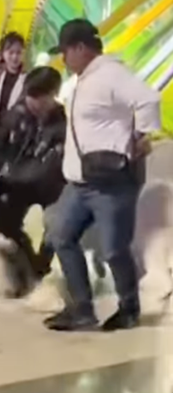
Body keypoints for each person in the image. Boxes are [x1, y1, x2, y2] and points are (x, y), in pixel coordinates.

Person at [44, 19, 160, 331]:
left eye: (65, 52)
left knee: (113, 250)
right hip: (80, 183)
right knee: (61, 236)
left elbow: (149, 99)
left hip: (110, 184)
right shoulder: (83, 78)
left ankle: (129, 308)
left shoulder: (111, 74)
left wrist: (144, 137)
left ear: (81, 48)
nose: (63, 60)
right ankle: (82, 309)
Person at [0, 66, 67, 277]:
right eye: (32, 97)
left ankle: (41, 266)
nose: (35, 103)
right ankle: (25, 263)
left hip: (50, 186)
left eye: (43, 98)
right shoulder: (14, 116)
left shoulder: (61, 120)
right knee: (5, 223)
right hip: (17, 182)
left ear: (53, 94)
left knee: (58, 228)